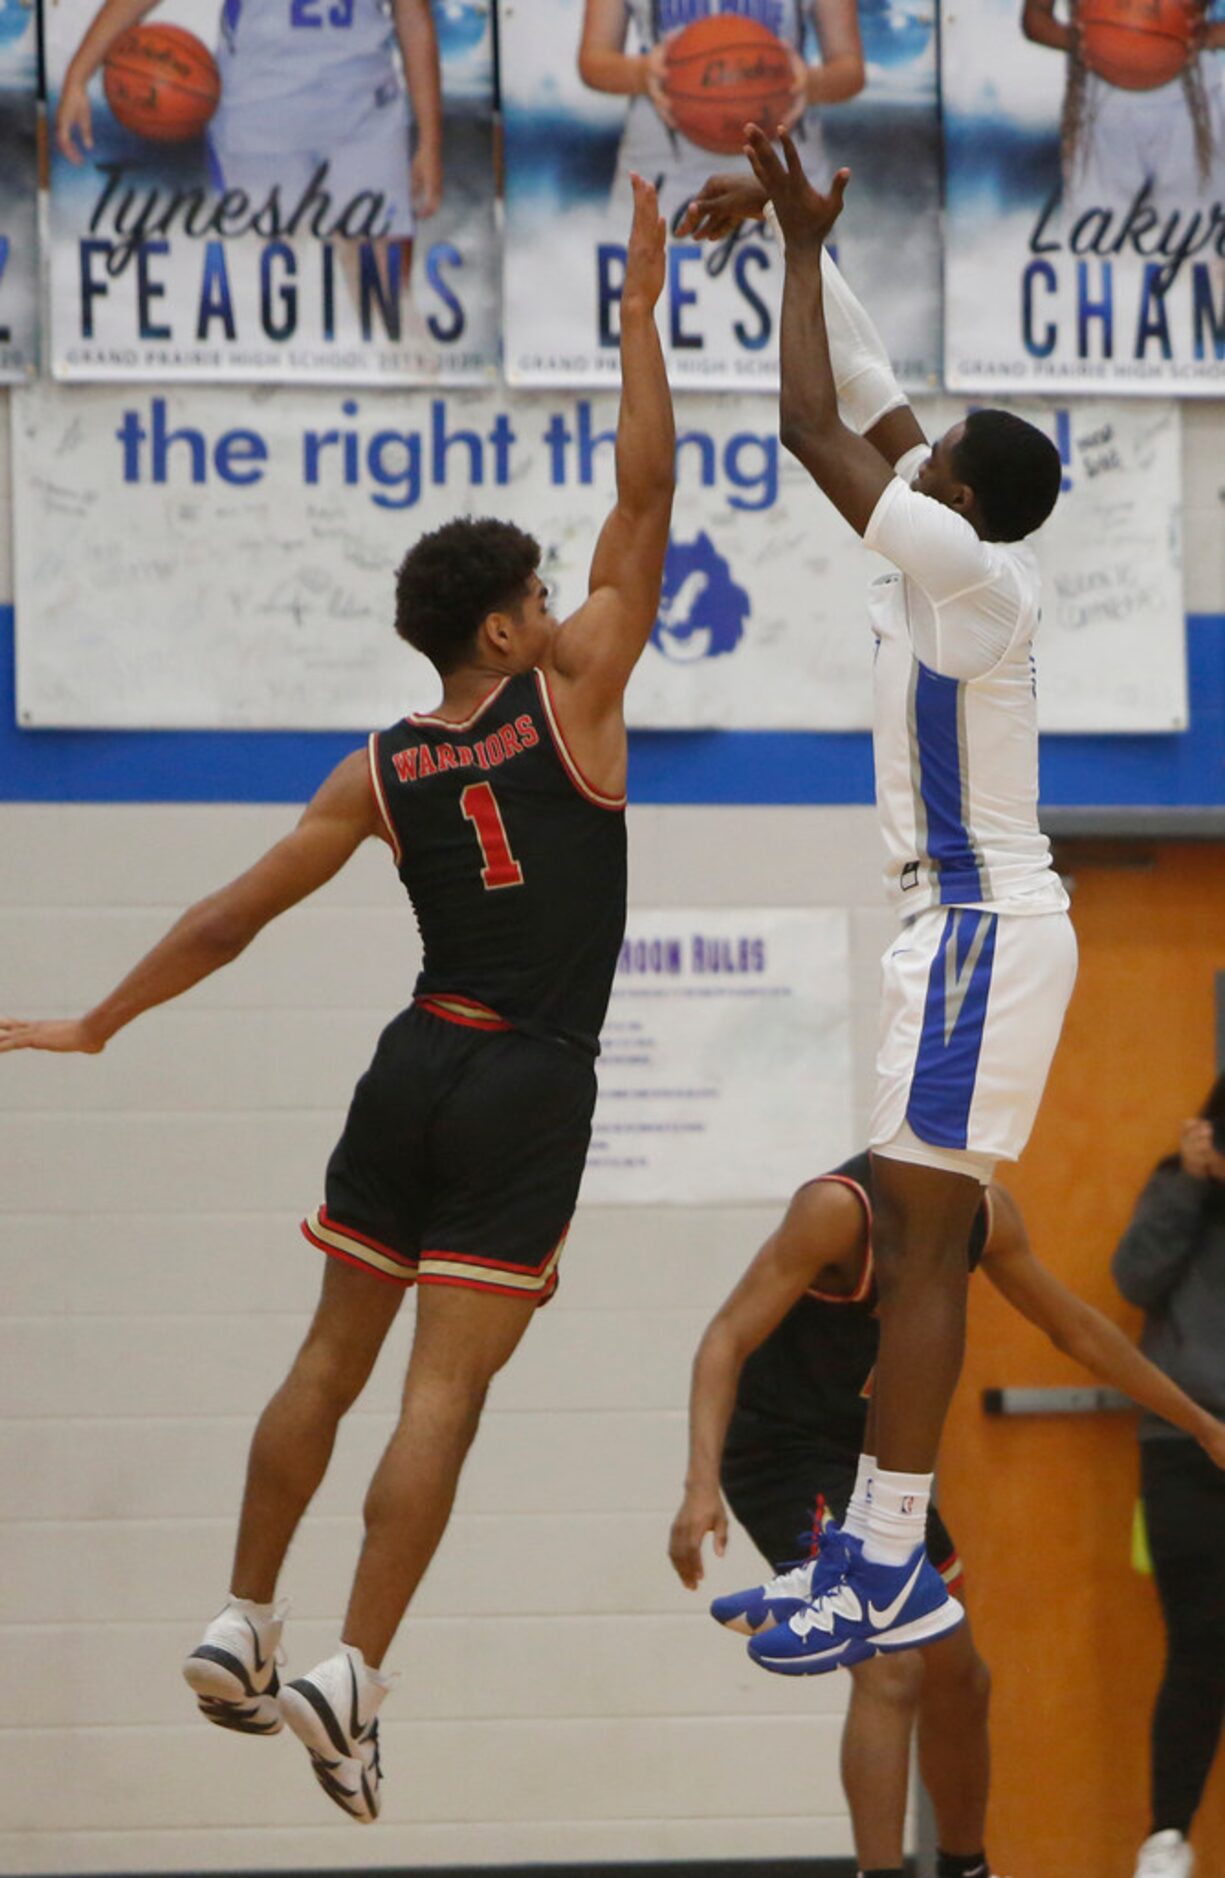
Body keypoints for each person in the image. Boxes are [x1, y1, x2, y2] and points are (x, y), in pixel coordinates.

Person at [0, 174, 673, 1824]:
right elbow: (646, 498)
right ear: (515, 621)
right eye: (544, 590)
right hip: (527, 1077)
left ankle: (244, 1611)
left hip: (410, 1061)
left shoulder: (379, 767)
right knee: (448, 1387)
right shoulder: (573, 699)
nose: (566, 602)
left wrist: (99, 1017)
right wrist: (641, 309)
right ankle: (352, 1665)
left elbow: (230, 918)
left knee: (330, 1350)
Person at [679, 131, 1076, 1672]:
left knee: (923, 1251)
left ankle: (890, 1558)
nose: (915, 452)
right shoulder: (950, 526)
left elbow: (804, 420)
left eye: (936, 455)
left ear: (958, 495)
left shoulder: (972, 577)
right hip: (967, 932)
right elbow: (864, 380)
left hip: (980, 927)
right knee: (923, 1239)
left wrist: (782, 256)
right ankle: (881, 1552)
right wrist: (802, 230)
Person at [668, 1150, 1225, 1878]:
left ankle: (966, 1867)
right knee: (888, 1666)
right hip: (787, 1455)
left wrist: (1203, 1425)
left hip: (882, 1464)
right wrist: (697, 1484)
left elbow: (1077, 1331)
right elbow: (726, 1337)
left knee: (959, 1679)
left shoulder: (983, 1213)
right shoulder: (837, 1210)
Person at [55, 0, 444, 282]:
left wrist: (429, 141)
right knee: (267, 292)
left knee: (387, 306)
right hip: (260, 114)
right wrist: (78, 73)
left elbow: (413, 16)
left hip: (363, 109)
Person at [1113, 1075, 1225, 1878]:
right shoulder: (1175, 1191)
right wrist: (1187, 1183)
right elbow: (1132, 1279)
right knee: (1200, 1640)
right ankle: (1166, 1839)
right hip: (1185, 1444)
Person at [578, 0, 864, 223]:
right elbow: (593, 60)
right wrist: (641, 73)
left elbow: (850, 68)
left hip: (784, 186)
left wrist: (810, 83)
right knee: (645, 297)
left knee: (802, 296)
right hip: (659, 181)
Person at [1021, 0, 1225, 218]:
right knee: (1096, 228)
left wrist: (1211, 35)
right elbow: (1035, 19)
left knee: (1195, 230)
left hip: (1191, 107)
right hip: (1102, 109)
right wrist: (1084, 41)